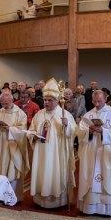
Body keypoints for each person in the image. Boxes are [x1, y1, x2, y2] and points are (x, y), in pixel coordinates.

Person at [77, 90, 111, 216]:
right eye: (94, 101)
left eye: (99, 101)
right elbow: (80, 132)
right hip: (91, 151)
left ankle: (108, 209)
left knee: (108, 177)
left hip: (107, 151)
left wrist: (103, 131)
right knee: (90, 175)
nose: (97, 104)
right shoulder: (88, 115)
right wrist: (89, 131)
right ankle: (90, 207)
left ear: (105, 99)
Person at [28, 78, 76, 209]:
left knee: (54, 172)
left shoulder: (64, 114)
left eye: (50, 100)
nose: (46, 102)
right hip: (41, 151)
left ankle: (58, 200)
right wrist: (33, 136)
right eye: (45, 100)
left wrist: (67, 126)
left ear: (57, 100)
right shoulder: (39, 114)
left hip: (56, 153)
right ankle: (40, 199)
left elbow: (73, 133)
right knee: (42, 172)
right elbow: (31, 130)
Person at [0, 91, 29, 199]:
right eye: (2, 103)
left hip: (13, 147)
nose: (4, 105)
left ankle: (12, 197)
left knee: (12, 171)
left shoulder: (20, 114)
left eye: (6, 103)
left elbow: (23, 131)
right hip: (0, 146)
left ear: (12, 100)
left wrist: (9, 128)